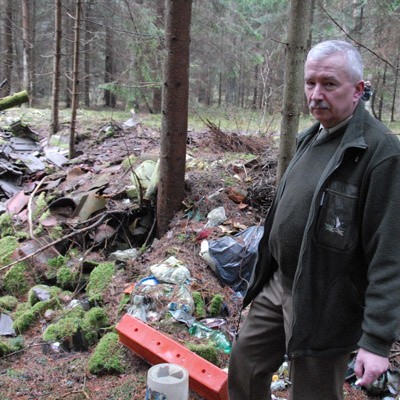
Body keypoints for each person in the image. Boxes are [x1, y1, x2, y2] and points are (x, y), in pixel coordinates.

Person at [228, 39, 400, 400]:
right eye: (310, 83)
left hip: (326, 302)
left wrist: (377, 340)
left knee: (313, 393)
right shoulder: (312, 137)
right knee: (245, 365)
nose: (316, 94)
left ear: (357, 90)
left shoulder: (380, 153)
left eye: (329, 84)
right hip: (280, 283)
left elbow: (390, 252)